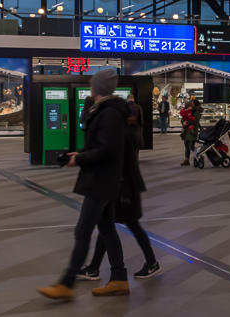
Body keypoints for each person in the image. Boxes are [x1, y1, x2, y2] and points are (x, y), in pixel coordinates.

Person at [39, 69, 131, 301]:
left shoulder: (109, 112)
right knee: (108, 229)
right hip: (104, 178)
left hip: (100, 180)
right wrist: (78, 153)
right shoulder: (106, 110)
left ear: (97, 87)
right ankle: (119, 279)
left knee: (83, 230)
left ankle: (67, 284)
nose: (90, 85)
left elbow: (106, 149)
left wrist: (79, 158)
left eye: (92, 83)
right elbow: (101, 145)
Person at [77, 92, 161, 281]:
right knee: (108, 226)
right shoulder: (125, 131)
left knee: (120, 226)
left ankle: (151, 262)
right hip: (122, 186)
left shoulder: (124, 133)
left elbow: (123, 163)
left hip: (124, 188)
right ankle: (94, 268)